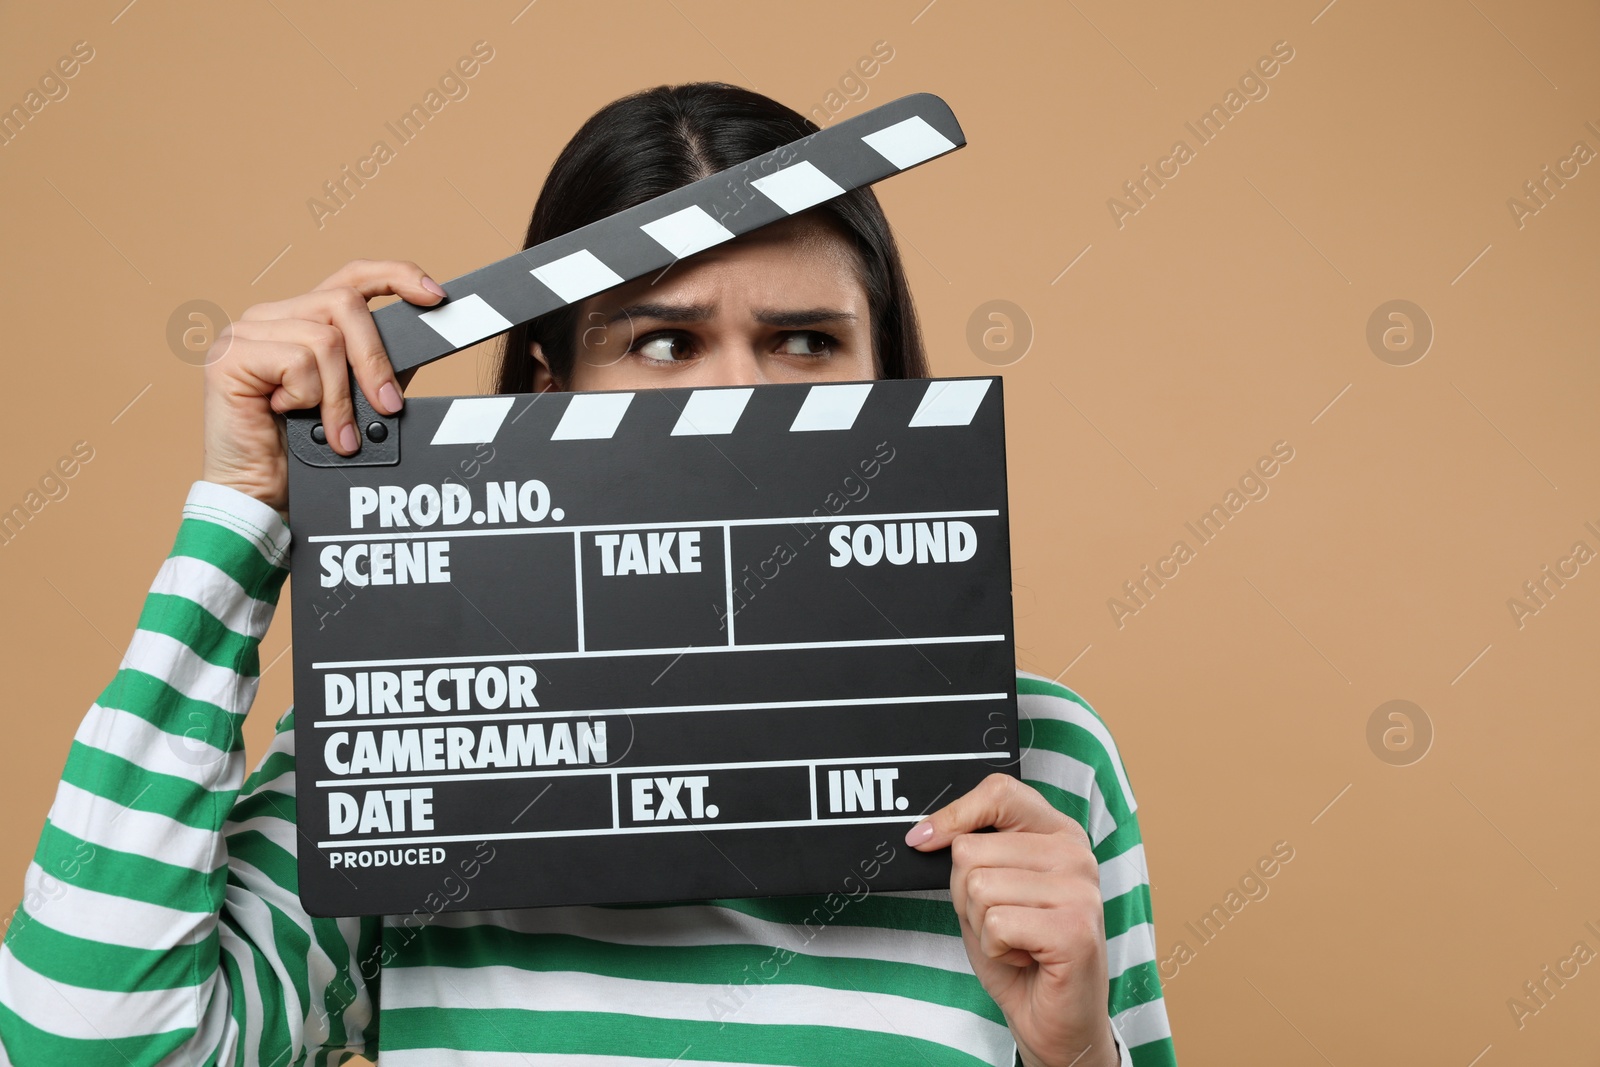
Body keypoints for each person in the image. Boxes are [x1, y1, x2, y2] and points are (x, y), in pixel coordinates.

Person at [0, 83, 1174, 1066]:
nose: (740, 397)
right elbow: (79, 1045)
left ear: (887, 383)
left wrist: (1076, 1052)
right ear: (551, 391)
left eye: (806, 340)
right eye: (661, 344)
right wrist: (244, 514)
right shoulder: (393, 750)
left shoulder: (1042, 764)